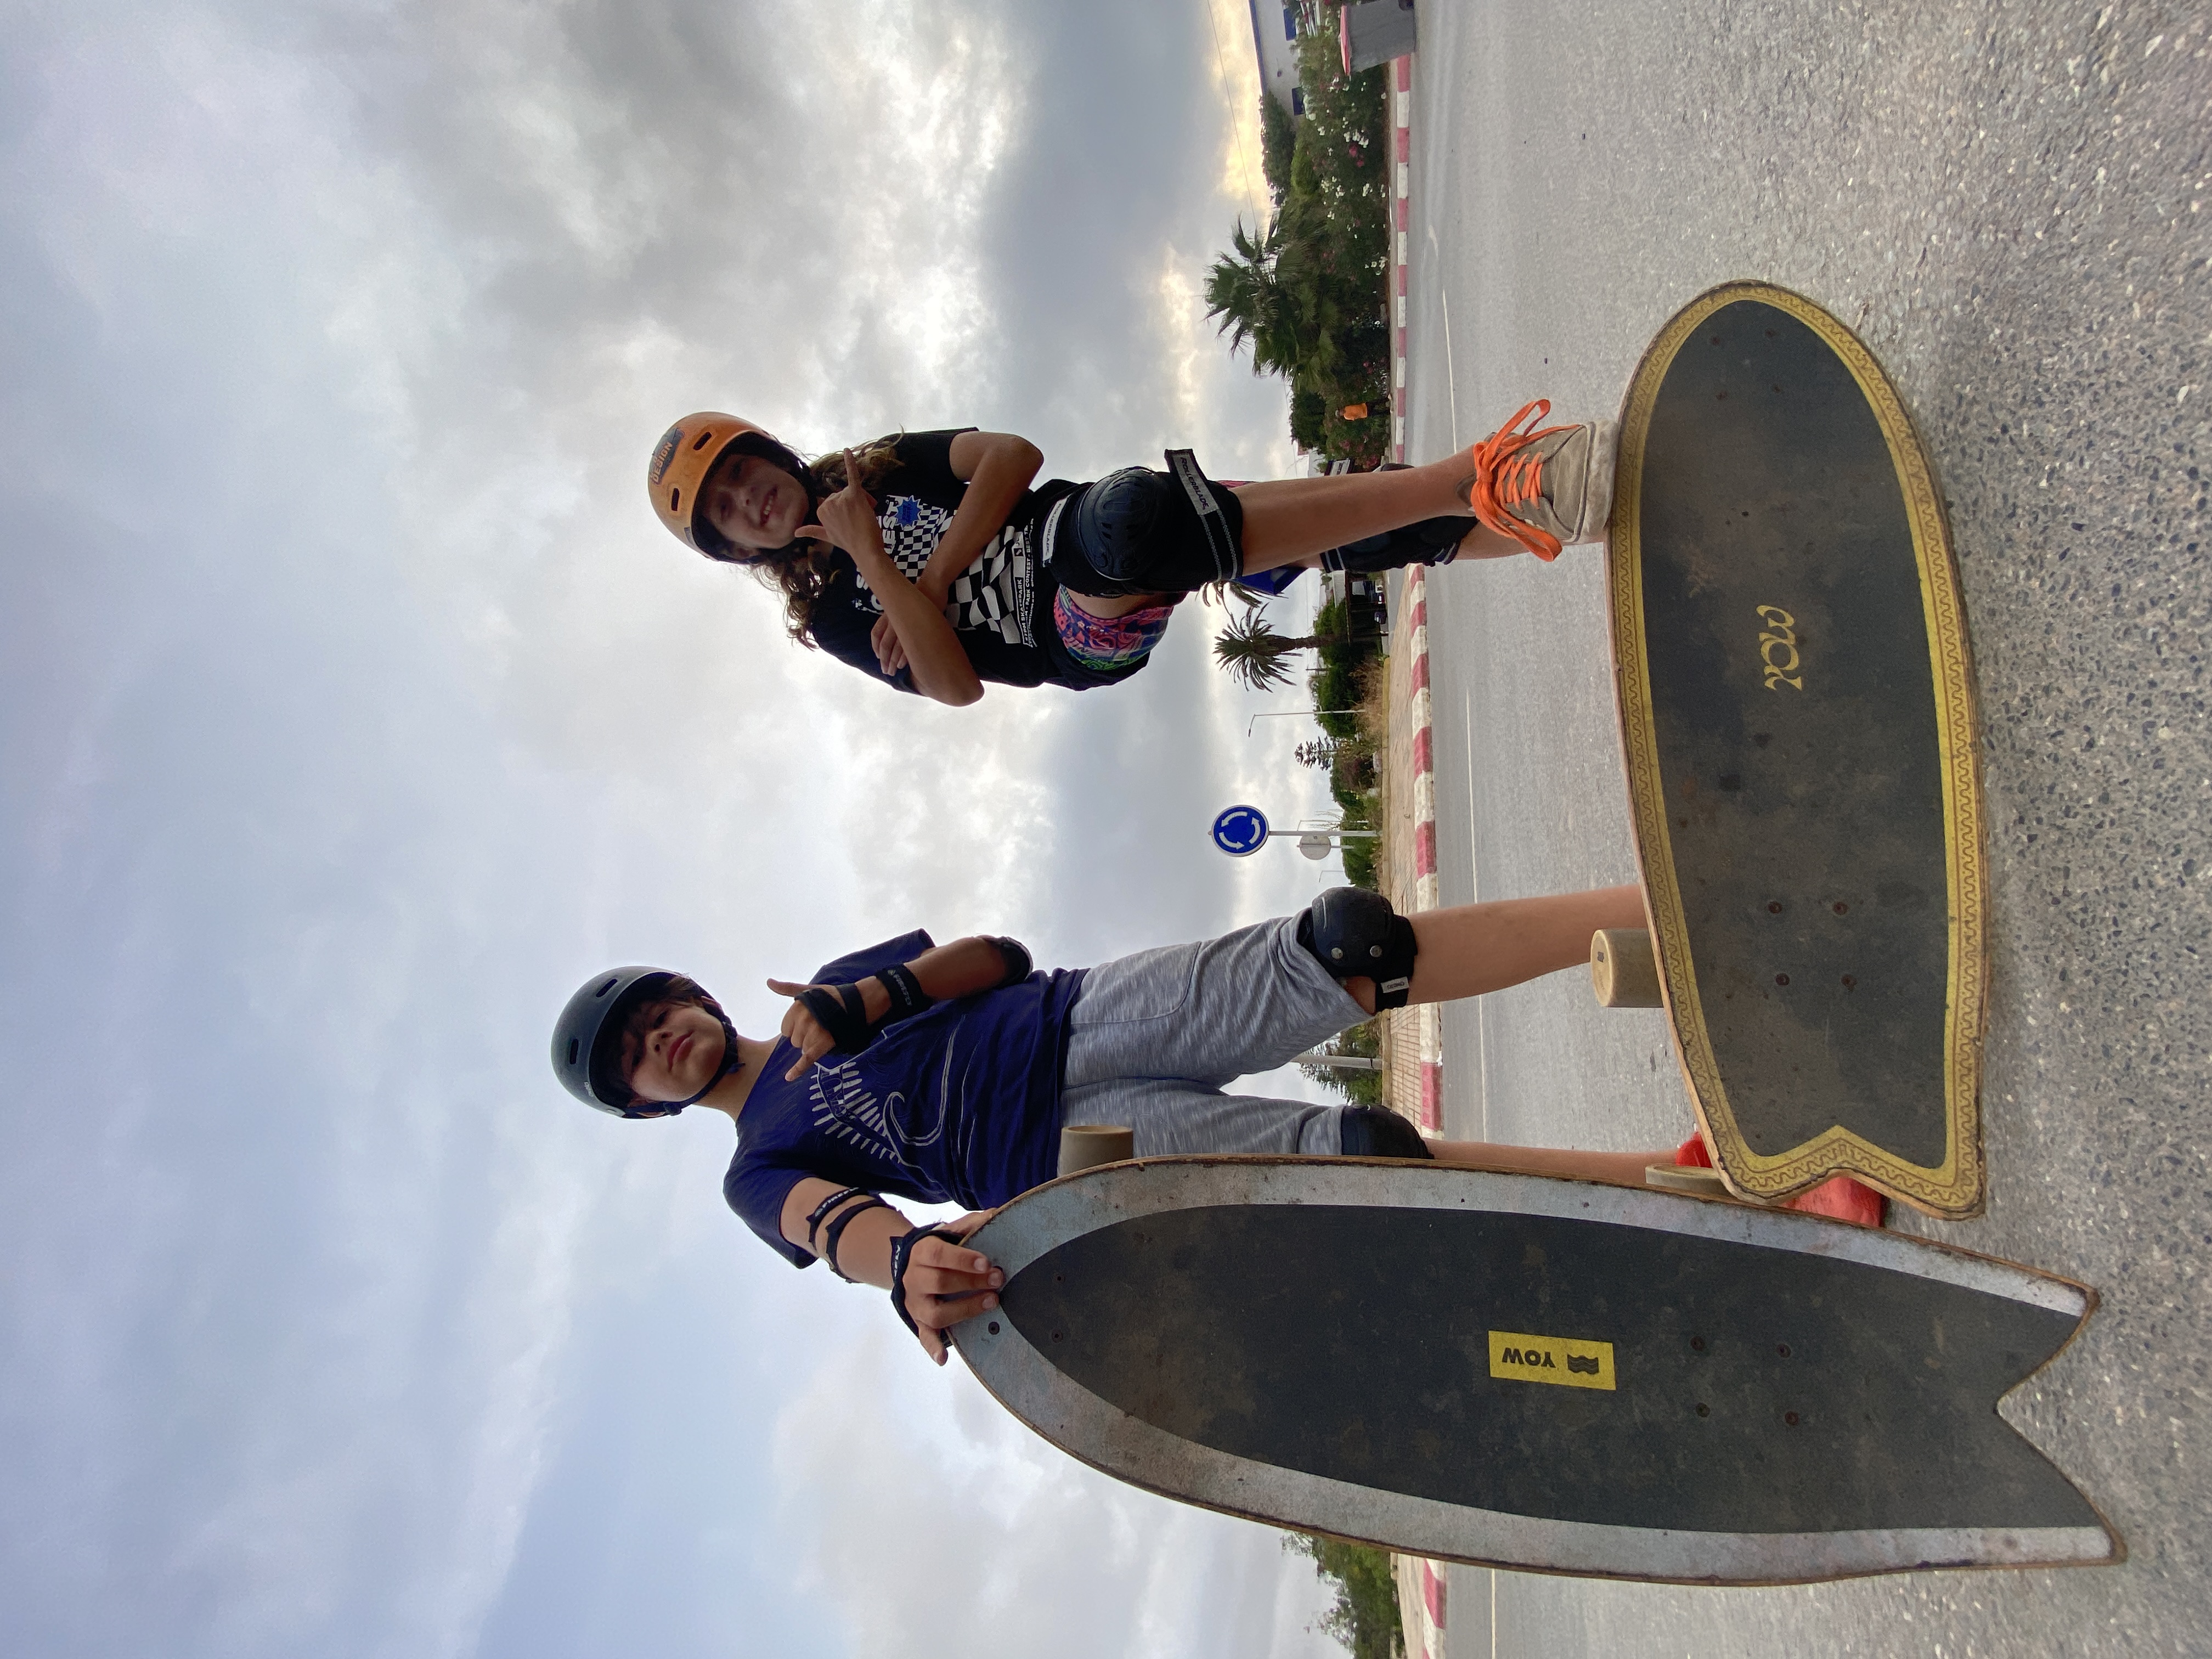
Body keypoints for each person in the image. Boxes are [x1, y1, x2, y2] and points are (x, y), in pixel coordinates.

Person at [550, 883, 1683, 1364]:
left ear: (693, 993)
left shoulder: (831, 994)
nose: (659, 1040)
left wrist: (881, 996)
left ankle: (1657, 912)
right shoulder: (754, 1165)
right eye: (636, 1059)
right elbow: (827, 1222)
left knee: (1350, 949)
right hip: (1063, 1158)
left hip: (1084, 1017)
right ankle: (1666, 1185)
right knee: (1362, 1169)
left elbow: (998, 961)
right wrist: (898, 1264)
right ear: (646, 1106)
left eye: (656, 1013)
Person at [642, 403, 1613, 703]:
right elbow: (954, 686)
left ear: (764, 448)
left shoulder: (885, 464)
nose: (749, 499)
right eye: (727, 512)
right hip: (1073, 636)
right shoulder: (836, 614)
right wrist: (880, 572)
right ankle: (1470, 476)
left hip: (1082, 526)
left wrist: (927, 582)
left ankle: (1534, 515)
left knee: (1157, 517)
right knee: (1134, 530)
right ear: (733, 547)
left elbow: (1014, 459)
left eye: (741, 471)